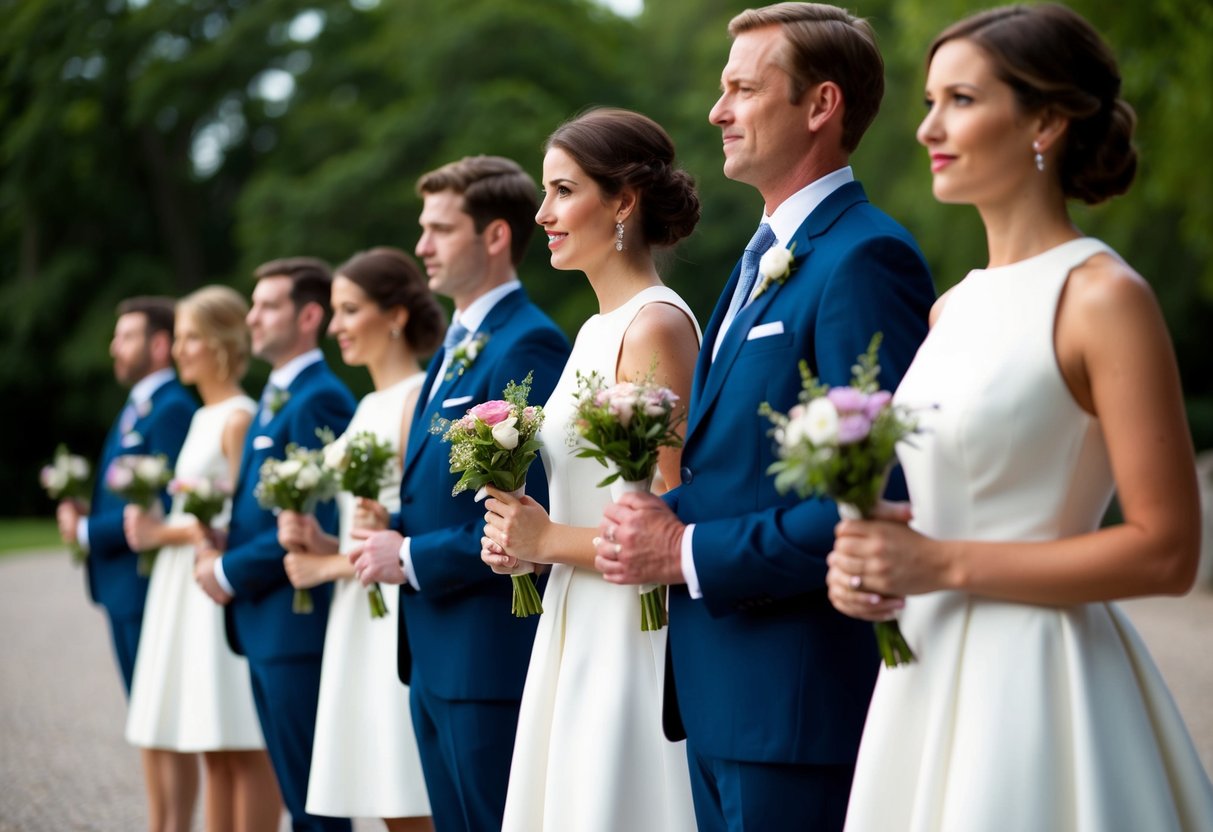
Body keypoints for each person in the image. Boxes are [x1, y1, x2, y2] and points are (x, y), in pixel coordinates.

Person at [824, 5, 1213, 829]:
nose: (929, 126)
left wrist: (940, 565)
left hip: (1039, 682)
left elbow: (1168, 551)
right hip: (921, 677)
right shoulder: (949, 310)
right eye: (929, 101)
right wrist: (871, 564)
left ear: (1045, 117)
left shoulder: (1103, 297)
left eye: (960, 100)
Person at [593, 4, 936, 830]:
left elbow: (873, 501)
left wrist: (684, 550)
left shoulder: (863, 258)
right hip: (722, 697)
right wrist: (660, 512)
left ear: (819, 106)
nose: (716, 112)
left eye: (742, 89)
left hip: (796, 704)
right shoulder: (757, 265)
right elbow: (739, 468)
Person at [479, 108, 701, 831]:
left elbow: (672, 515)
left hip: (631, 628)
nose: (542, 213)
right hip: (574, 614)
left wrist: (546, 543)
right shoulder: (593, 330)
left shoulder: (655, 325)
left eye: (561, 190)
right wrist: (517, 537)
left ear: (623, 202)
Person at [350, 156, 569, 832]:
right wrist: (390, 519)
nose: (421, 247)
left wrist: (408, 554)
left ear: (495, 236)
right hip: (435, 654)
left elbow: (525, 513)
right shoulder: (457, 342)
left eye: (439, 230)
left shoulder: (527, 342)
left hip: (487, 660)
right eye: (423, 229)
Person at [275, 247, 443, 830]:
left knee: (408, 796)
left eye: (349, 311)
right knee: (379, 795)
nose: (337, 326)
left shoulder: (416, 399)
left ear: (395, 315)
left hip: (394, 616)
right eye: (334, 312)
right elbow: (366, 527)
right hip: (358, 613)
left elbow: (404, 538)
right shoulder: (367, 404)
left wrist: (326, 569)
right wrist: (321, 542)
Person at [193, 258, 356, 832]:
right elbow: (269, 508)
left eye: (267, 306)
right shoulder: (277, 392)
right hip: (266, 623)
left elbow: (316, 519)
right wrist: (221, 534)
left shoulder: (320, 398)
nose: (252, 317)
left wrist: (229, 569)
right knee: (296, 792)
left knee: (315, 800)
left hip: (295, 623)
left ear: (309, 315)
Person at [123, 285, 280, 832]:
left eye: (191, 337)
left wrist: (158, 532)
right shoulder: (200, 417)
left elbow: (244, 521)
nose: (181, 349)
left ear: (219, 343)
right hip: (184, 585)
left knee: (239, 736)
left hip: (217, 586)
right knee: (209, 741)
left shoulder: (239, 417)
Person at [55, 296, 198, 832]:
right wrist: (91, 513)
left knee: (161, 719)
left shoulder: (172, 409)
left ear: (158, 344)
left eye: (127, 336)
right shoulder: (136, 406)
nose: (115, 347)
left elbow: (164, 503)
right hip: (121, 584)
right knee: (144, 719)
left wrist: (89, 531)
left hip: (147, 585)